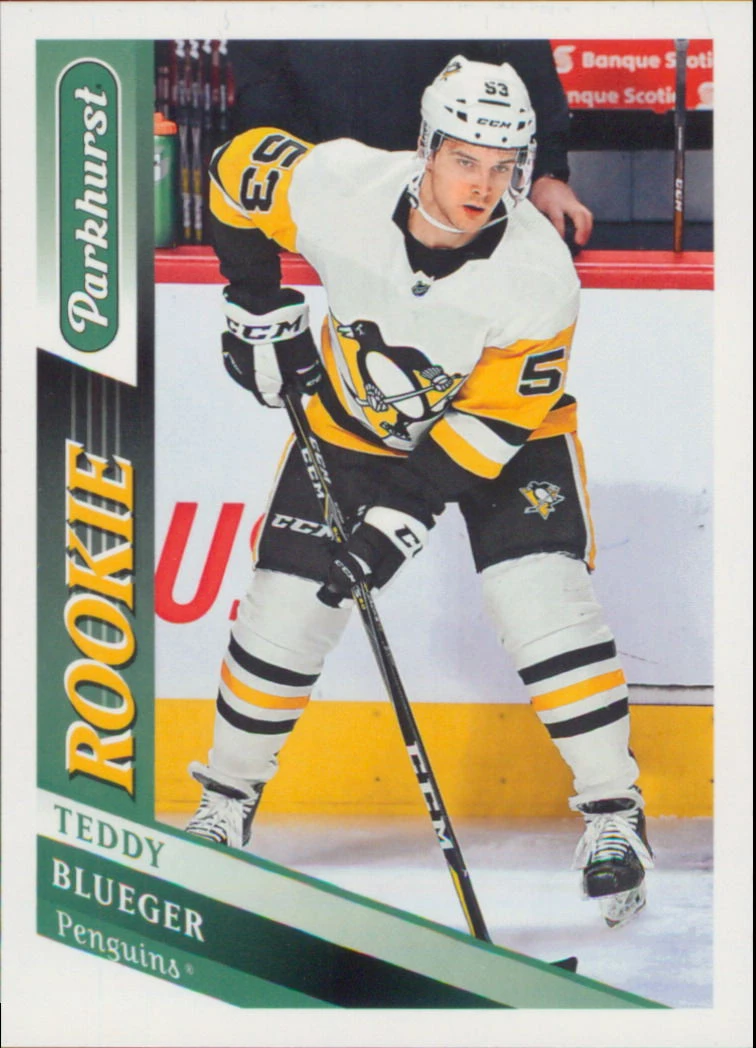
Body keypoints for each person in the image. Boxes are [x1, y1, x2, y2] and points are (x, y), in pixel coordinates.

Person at [185, 56, 652, 928]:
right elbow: (234, 170)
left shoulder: (539, 274)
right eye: (465, 159)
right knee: (285, 609)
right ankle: (225, 802)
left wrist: (392, 528)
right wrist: (254, 300)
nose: (483, 186)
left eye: (504, 166)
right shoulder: (339, 185)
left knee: (541, 600)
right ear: (427, 146)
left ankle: (613, 814)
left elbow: (486, 431)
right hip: (352, 425)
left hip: (508, 440)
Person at [227, 39, 593, 250]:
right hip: (322, 213)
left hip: (450, 216)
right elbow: (261, 99)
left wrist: (547, 176)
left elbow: (528, 72)